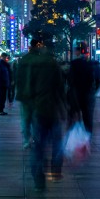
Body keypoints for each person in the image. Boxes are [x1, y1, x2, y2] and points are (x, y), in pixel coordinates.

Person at [16, 37, 66, 190]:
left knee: (38, 145)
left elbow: (23, 84)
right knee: (57, 141)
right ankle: (55, 169)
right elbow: (60, 87)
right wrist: (65, 108)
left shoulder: (27, 62)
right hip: (51, 109)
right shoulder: (52, 64)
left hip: (35, 107)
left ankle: (38, 179)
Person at [68, 43, 96, 133]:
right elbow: (91, 79)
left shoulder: (73, 64)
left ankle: (72, 133)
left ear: (77, 52)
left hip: (75, 92)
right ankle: (88, 133)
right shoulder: (88, 64)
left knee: (73, 114)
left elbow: (70, 78)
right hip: (86, 92)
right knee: (86, 115)